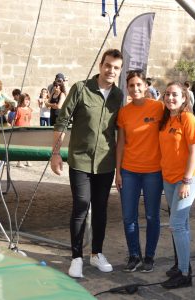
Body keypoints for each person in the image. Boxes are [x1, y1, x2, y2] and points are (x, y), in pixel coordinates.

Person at [50, 49, 124, 278]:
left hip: (105, 163)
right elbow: (62, 120)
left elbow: (120, 131)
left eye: (116, 67)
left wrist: (120, 168)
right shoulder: (81, 88)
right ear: (101, 65)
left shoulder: (119, 95)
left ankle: (96, 253)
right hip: (80, 160)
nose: (111, 70)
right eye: (108, 65)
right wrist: (55, 153)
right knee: (81, 206)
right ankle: (76, 258)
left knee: (100, 209)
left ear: (119, 71)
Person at [115, 70, 163, 273]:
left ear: (145, 86)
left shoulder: (159, 108)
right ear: (128, 88)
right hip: (129, 171)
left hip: (153, 171)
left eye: (138, 85)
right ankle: (134, 255)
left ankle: (149, 256)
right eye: (131, 85)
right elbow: (121, 144)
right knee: (128, 217)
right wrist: (118, 171)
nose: (135, 89)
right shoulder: (124, 112)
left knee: (152, 215)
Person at [159, 81, 195, 289]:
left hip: (186, 180)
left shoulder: (188, 119)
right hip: (169, 179)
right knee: (181, 225)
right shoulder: (166, 120)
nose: (170, 98)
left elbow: (194, 151)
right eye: (167, 94)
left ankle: (185, 274)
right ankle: (182, 265)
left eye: (175, 95)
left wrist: (186, 181)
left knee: (176, 224)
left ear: (184, 98)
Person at [14, 93, 33, 168]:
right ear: (22, 100)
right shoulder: (18, 109)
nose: (28, 101)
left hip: (27, 129)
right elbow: (14, 120)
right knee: (20, 146)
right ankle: (19, 162)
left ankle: (27, 160)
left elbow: (29, 120)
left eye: (28, 99)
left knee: (27, 145)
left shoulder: (29, 109)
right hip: (19, 130)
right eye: (26, 99)